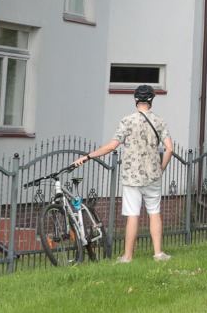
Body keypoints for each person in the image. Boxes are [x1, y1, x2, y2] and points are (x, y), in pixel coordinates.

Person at [74, 83, 173, 263]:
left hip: (131, 176)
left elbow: (112, 146)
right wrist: (162, 167)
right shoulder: (159, 121)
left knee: (132, 215)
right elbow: (170, 149)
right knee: (154, 212)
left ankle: (127, 256)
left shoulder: (127, 121)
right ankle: (158, 253)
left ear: (136, 100)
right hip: (153, 175)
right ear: (152, 100)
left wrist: (88, 156)